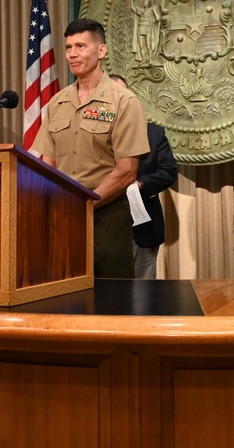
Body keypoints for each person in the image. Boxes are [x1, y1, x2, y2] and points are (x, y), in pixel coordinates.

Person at [32, 18, 149, 278]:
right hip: (63, 217)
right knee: (62, 298)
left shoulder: (124, 102)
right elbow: (47, 163)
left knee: (111, 302)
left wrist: (85, 203)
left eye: (81, 46)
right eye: (69, 47)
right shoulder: (57, 103)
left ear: (101, 51)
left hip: (106, 216)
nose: (72, 54)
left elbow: (127, 171)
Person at [110, 75, 178, 279]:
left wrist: (140, 184)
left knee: (143, 296)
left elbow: (168, 172)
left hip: (142, 228)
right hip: (102, 228)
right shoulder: (90, 133)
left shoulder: (153, 134)